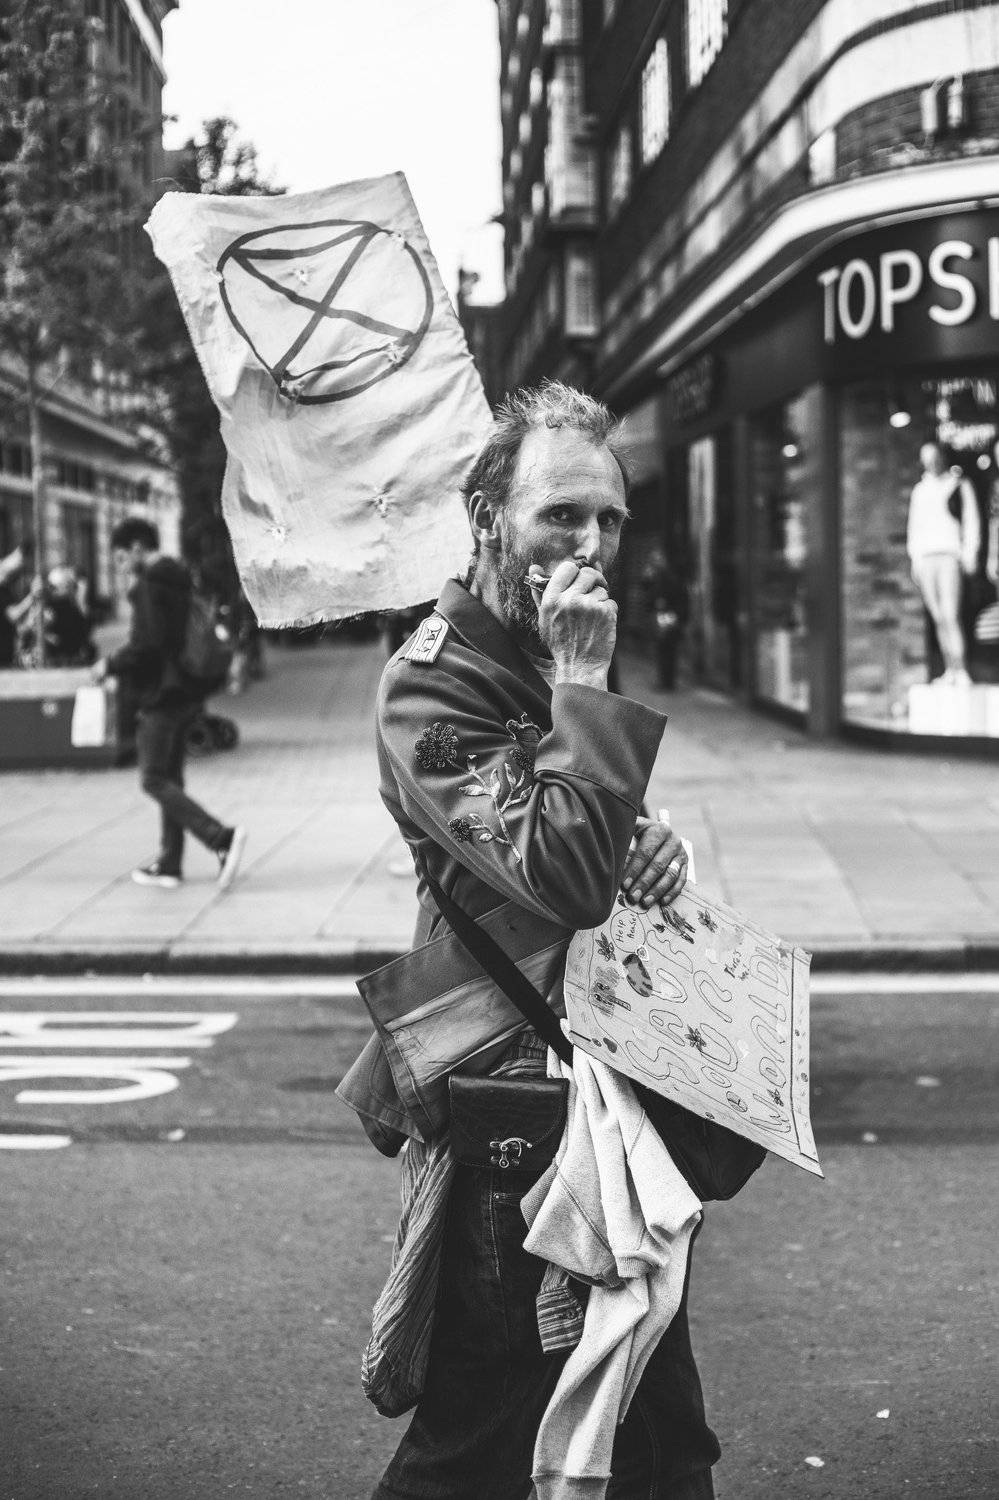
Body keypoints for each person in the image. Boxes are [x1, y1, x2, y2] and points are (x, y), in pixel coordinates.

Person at [339, 382, 719, 1499]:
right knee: (479, 1439)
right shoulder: (430, 687)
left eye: (608, 519)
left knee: (657, 1434)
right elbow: (556, 871)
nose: (589, 544)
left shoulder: (542, 652)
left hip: (602, 1087)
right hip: (511, 1116)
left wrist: (650, 847)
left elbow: (587, 847)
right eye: (561, 514)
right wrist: (587, 682)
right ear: (487, 518)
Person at [92, 517, 246, 890]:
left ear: (137, 549)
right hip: (186, 691)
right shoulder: (178, 577)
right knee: (170, 778)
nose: (120, 567)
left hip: (162, 695)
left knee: (153, 778)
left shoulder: (151, 584)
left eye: (121, 558)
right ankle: (170, 863)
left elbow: (148, 646)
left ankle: (220, 837)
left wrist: (109, 664)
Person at [907, 441, 980, 685]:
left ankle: (961, 667)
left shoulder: (958, 485)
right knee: (938, 616)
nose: (932, 463)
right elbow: (915, 528)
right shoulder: (920, 491)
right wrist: (916, 559)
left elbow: (971, 522)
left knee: (950, 613)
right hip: (927, 558)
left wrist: (969, 553)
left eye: (935, 457)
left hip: (949, 555)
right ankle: (950, 667)